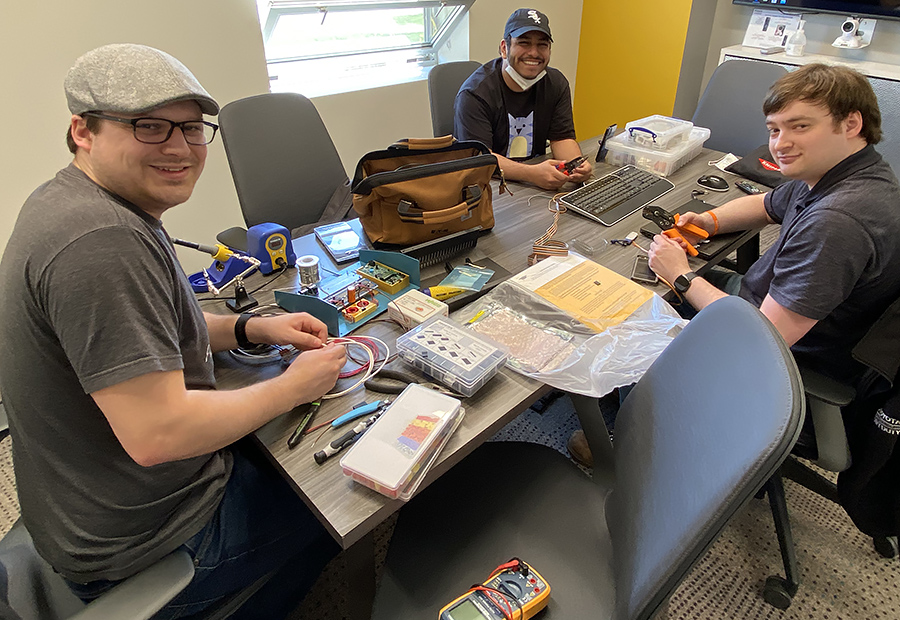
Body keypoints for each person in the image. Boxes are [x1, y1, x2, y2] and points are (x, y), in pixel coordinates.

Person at [0, 44, 347, 619]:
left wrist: (248, 326)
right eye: (150, 126)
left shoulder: (87, 202)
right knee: (335, 504)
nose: (180, 148)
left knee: (280, 440)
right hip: (147, 540)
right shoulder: (99, 243)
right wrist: (294, 387)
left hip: (86, 507)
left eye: (190, 129)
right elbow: (158, 433)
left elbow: (153, 328)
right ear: (82, 130)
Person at [648, 63, 900, 384]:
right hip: (771, 306)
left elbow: (760, 337)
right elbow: (765, 205)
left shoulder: (837, 222)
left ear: (851, 124)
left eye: (800, 127)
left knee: (641, 305)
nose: (781, 144)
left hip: (783, 355)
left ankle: (627, 427)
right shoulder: (849, 173)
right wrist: (707, 222)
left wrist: (680, 276)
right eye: (774, 130)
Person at [454, 8, 592, 190]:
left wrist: (575, 166)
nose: (534, 53)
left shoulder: (556, 84)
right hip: (488, 185)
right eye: (524, 43)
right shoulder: (475, 93)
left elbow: (562, 137)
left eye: (542, 45)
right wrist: (532, 174)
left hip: (535, 185)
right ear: (504, 48)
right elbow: (480, 158)